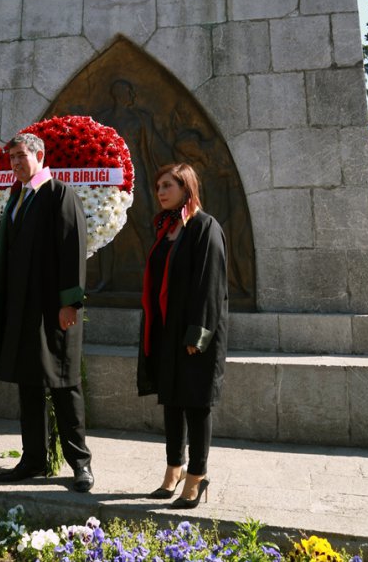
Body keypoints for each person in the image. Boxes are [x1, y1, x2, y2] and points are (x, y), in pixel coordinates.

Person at [0, 132, 94, 492]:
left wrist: (70, 302)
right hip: (22, 310)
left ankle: (80, 464)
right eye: (11, 158)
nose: (14, 164)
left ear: (39, 156)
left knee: (63, 384)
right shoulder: (18, 198)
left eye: (20, 157)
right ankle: (33, 459)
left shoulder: (60, 192)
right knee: (28, 383)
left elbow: (72, 246)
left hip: (52, 310)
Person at [138, 163, 228, 508]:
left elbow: (211, 286)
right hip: (166, 331)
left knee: (196, 404)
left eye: (168, 185)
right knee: (171, 402)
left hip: (195, 333)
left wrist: (198, 335)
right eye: (158, 185)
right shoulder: (167, 229)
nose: (160, 191)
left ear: (186, 188)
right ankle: (173, 469)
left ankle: (197, 476)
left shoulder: (205, 227)